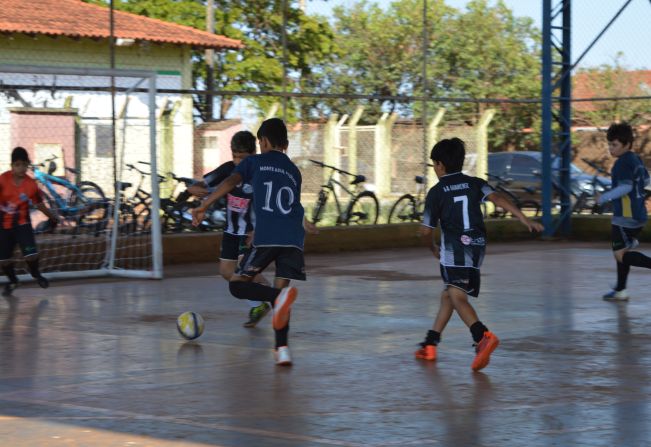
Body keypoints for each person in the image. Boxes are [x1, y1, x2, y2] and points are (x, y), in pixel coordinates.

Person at [192, 118, 317, 366]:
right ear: (287, 144)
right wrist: (306, 224)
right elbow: (294, 205)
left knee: (238, 285)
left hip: (267, 235)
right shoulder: (294, 170)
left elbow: (229, 182)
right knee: (282, 295)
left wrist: (204, 204)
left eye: (260, 142)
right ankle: (282, 350)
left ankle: (274, 299)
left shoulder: (254, 161)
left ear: (264, 142)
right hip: (293, 238)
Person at [416, 138, 543, 371]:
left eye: (434, 164)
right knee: (450, 295)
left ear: (440, 165)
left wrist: (432, 247)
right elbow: (498, 199)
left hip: (454, 251)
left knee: (457, 296)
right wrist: (523, 218)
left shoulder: (436, 192)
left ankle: (481, 335)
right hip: (476, 248)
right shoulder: (475, 183)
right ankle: (430, 343)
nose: (434, 169)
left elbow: (425, 231)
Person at [187, 131, 272, 328]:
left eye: (244, 158)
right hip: (231, 231)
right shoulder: (227, 169)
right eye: (235, 156)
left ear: (254, 154)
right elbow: (203, 183)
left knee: (243, 272)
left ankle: (272, 294)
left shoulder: (260, 173)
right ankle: (259, 304)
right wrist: (193, 188)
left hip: (250, 232)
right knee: (227, 272)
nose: (239, 161)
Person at [598, 122, 651, 301]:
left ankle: (621, 289)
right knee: (623, 251)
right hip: (639, 215)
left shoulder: (622, 163)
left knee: (620, 255)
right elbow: (646, 182)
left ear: (627, 144)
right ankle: (621, 290)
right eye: (609, 144)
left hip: (625, 218)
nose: (611, 148)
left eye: (614, 145)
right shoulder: (635, 159)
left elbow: (625, 188)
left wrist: (604, 197)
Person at [0, 147, 59, 296]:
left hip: (22, 224)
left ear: (28, 165)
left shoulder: (31, 184)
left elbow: (39, 204)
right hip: (4, 226)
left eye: (24, 165)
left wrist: (52, 217)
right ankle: (13, 281)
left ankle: (36, 274)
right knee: (4, 260)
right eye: (17, 165)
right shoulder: (2, 179)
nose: (21, 168)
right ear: (12, 166)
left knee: (31, 255)